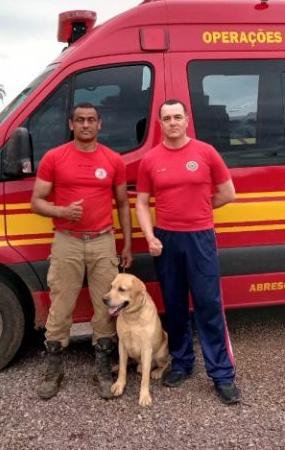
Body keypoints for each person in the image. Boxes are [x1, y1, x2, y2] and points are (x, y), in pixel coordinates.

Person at [135, 99, 240, 405]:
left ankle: (222, 375)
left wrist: (203, 211)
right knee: (175, 304)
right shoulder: (150, 160)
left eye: (177, 117)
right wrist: (150, 235)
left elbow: (227, 193)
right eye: (166, 118)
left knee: (209, 304)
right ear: (160, 123)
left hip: (200, 237)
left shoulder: (206, 152)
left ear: (187, 120)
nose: (172, 122)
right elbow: (142, 202)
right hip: (167, 239)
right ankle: (182, 363)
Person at [31, 102, 133, 400]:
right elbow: (36, 201)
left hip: (103, 240)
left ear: (99, 124)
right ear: (71, 125)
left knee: (107, 306)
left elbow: (123, 204)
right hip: (67, 240)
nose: (86, 124)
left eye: (91, 120)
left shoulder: (114, 160)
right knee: (61, 305)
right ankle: (54, 369)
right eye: (80, 120)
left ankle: (102, 368)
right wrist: (62, 211)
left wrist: (126, 243)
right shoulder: (54, 158)